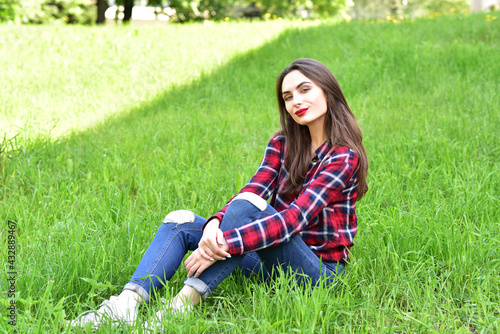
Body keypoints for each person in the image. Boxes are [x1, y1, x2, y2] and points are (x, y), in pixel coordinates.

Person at [70, 58, 368, 329]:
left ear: (327, 90)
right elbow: (253, 190)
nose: (296, 102)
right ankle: (126, 305)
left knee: (248, 211)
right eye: (288, 97)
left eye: (305, 90)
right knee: (181, 221)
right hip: (269, 264)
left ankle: (178, 309)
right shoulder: (282, 143)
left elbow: (293, 220)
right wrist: (214, 224)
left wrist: (220, 242)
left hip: (316, 273)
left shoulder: (344, 157)